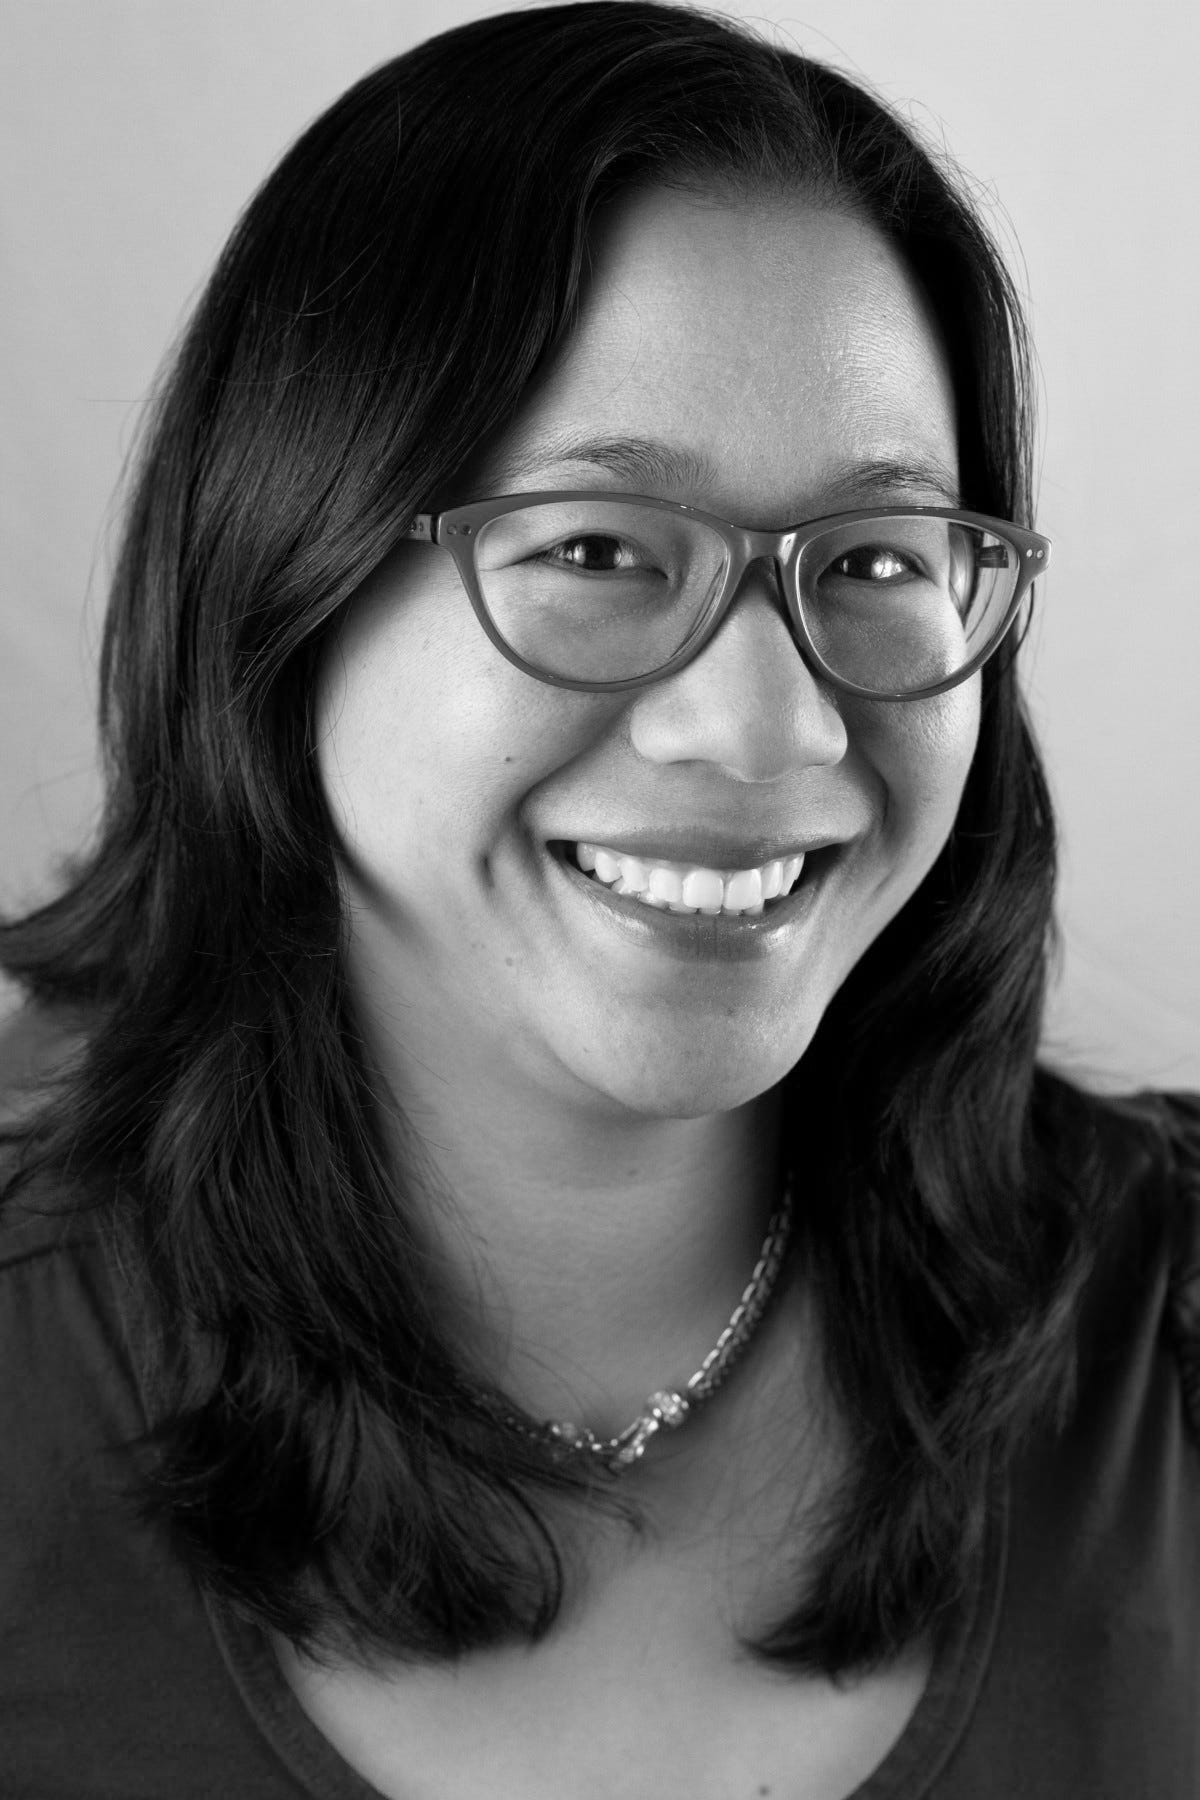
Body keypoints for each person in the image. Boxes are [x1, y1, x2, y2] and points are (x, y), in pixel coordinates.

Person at [0, 2, 1196, 1794]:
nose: (770, 726)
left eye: (875, 560)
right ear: (282, 588)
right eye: (596, 550)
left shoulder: (1168, 1334)